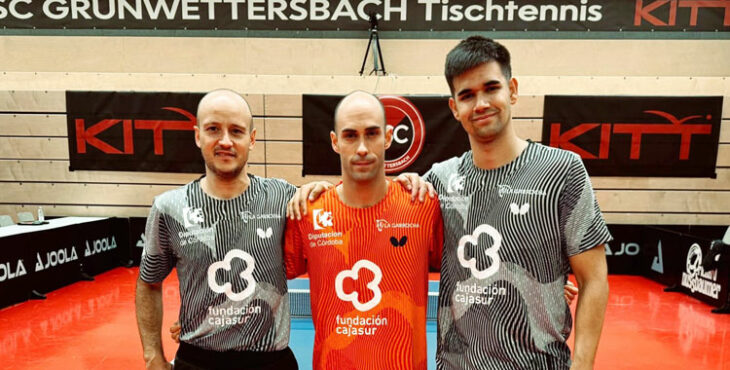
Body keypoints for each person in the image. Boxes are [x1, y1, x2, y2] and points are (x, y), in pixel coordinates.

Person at [292, 36, 606, 370]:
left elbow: (594, 279)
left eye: (491, 88)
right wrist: (324, 191)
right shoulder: (437, 182)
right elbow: (378, 210)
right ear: (455, 108)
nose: (480, 103)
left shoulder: (563, 171)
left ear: (512, 89)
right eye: (467, 95)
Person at [135, 89, 299, 370]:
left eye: (236, 131)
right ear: (198, 136)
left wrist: (402, 185)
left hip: (271, 362)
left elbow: (343, 212)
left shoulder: (283, 196)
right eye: (213, 129)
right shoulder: (168, 208)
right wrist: (153, 355)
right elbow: (149, 282)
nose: (225, 141)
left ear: (252, 138)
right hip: (197, 361)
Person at [283, 91, 444, 370]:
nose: (361, 148)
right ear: (335, 142)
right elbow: (264, 277)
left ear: (389, 136)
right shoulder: (309, 213)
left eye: (372, 134)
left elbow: (465, 277)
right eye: (350, 136)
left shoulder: (423, 206)